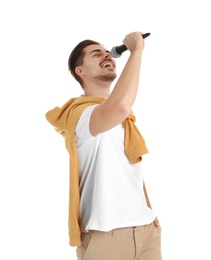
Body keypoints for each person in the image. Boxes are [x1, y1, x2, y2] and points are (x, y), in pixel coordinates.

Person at [45, 31, 162, 260]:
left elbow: (130, 165)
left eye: (107, 52)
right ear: (80, 71)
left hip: (146, 230)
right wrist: (136, 51)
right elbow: (119, 105)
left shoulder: (125, 119)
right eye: (96, 54)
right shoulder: (80, 115)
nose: (106, 55)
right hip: (105, 236)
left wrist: (149, 210)